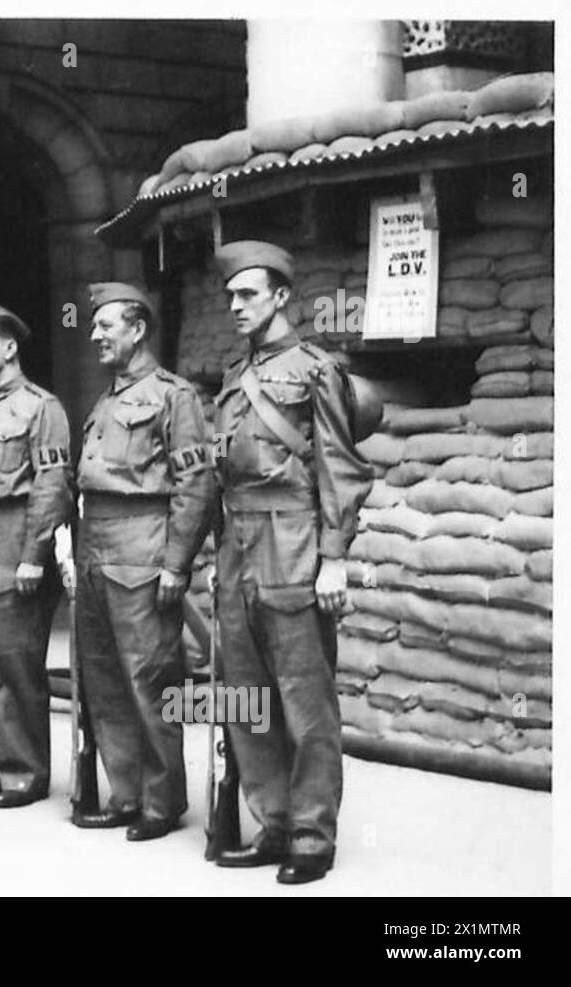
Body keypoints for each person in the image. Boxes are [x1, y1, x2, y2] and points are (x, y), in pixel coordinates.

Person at [209, 241, 373, 884]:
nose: (235, 306)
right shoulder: (229, 378)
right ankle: (272, 822)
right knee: (247, 697)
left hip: (294, 538)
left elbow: (340, 467)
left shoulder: (314, 370)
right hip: (237, 545)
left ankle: (311, 834)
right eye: (229, 297)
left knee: (305, 701)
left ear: (281, 297)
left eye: (248, 294)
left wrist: (334, 559)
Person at [70, 282, 214, 841]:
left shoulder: (174, 396)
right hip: (94, 545)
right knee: (103, 679)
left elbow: (195, 484)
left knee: (150, 678)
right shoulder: (106, 400)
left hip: (143, 544)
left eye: (106, 326)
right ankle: (124, 792)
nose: (96, 335)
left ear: (138, 329)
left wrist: (177, 563)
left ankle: (163, 800)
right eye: (94, 326)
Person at [0, 302, 72, 807]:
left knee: (16, 670)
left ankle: (23, 773)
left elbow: (52, 484)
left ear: (9, 348)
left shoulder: (41, 408)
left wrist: (35, 554)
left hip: (14, 549)